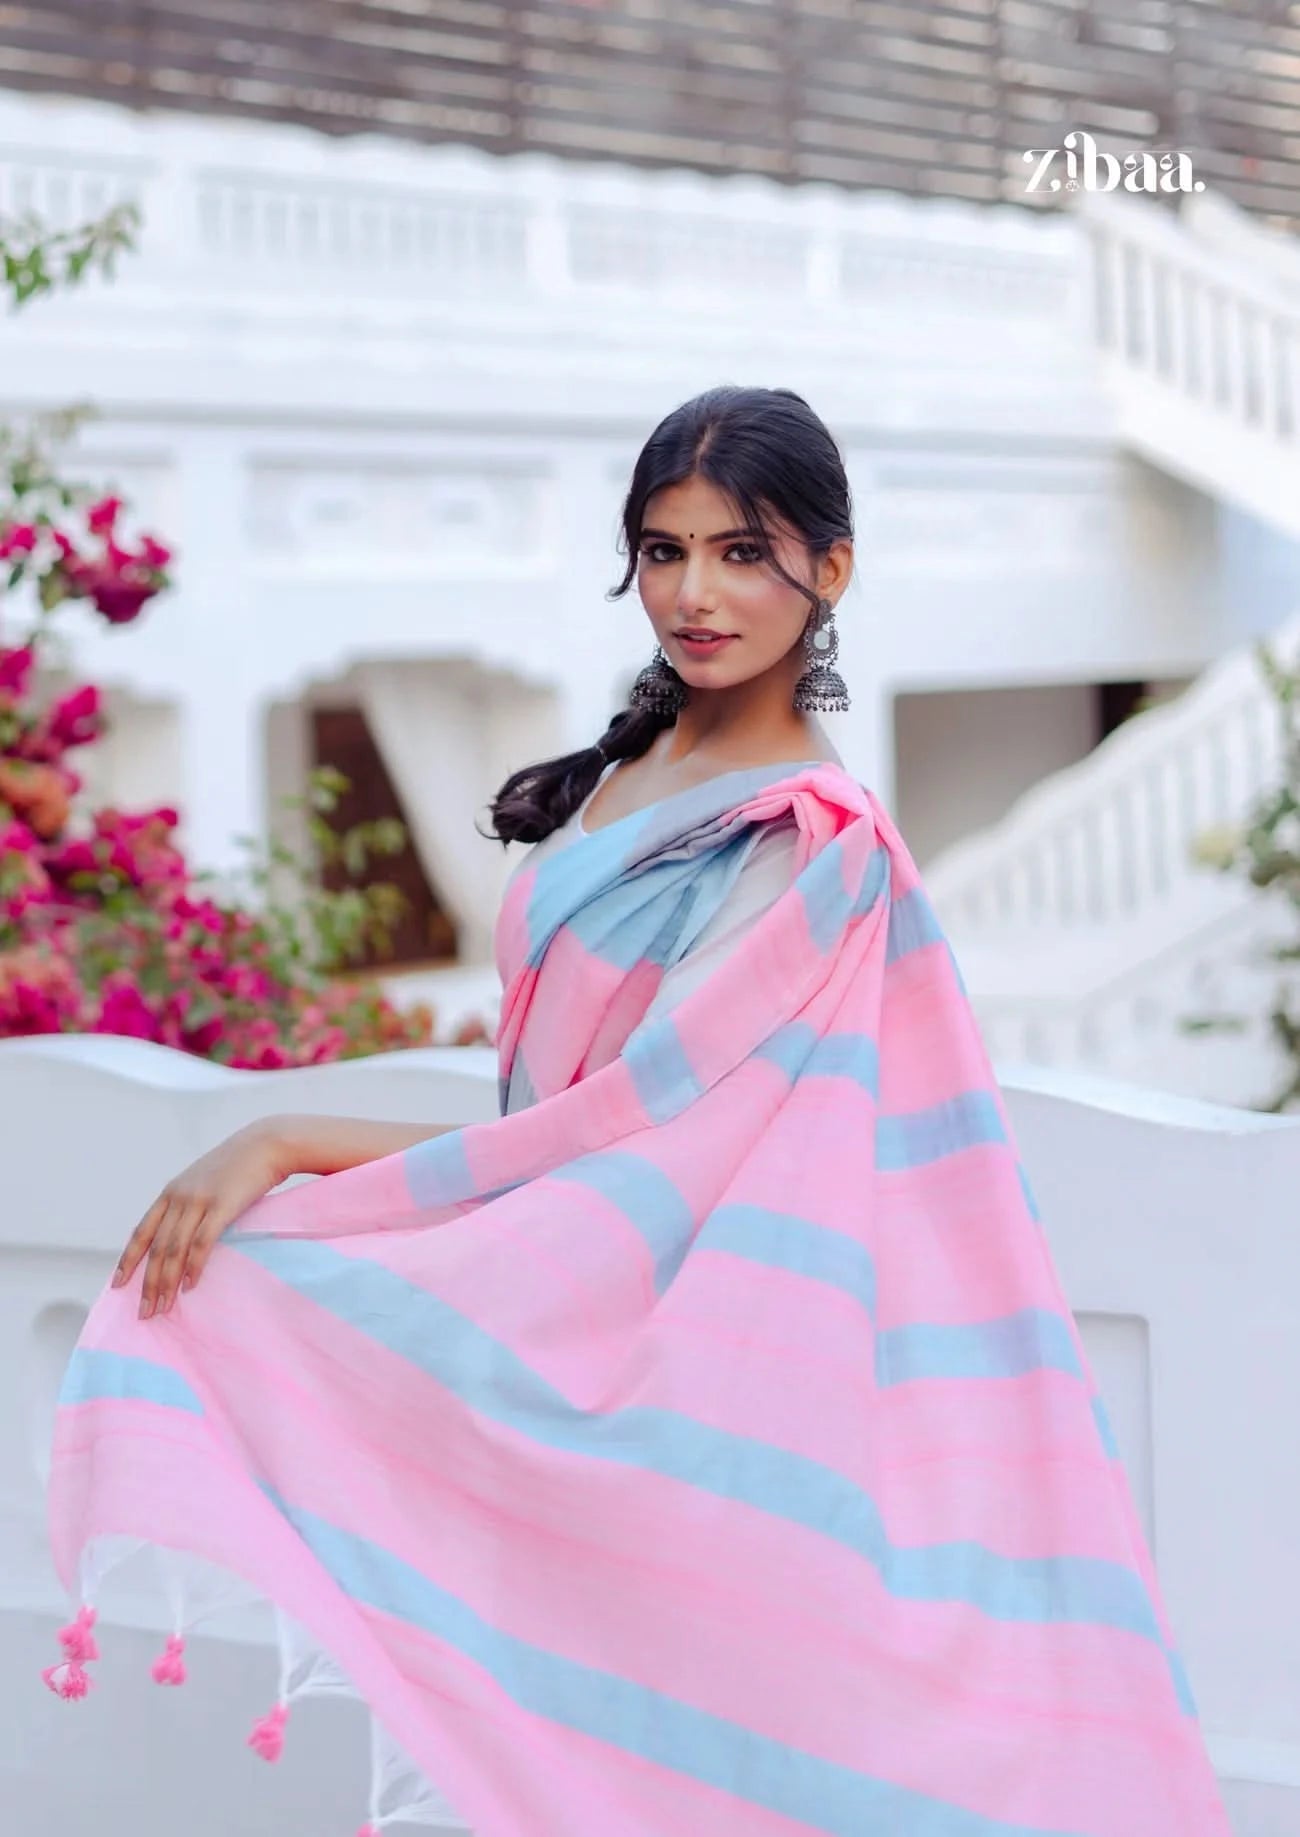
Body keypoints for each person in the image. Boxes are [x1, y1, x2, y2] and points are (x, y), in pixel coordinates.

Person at [43, 386, 1233, 1837]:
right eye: (663, 549)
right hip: (559, 1265)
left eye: (744, 551)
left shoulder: (807, 845)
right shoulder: (628, 774)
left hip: (675, 1336)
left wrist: (290, 1136)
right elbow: (555, 1112)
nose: (696, 591)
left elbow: (618, 1133)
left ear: (832, 570)